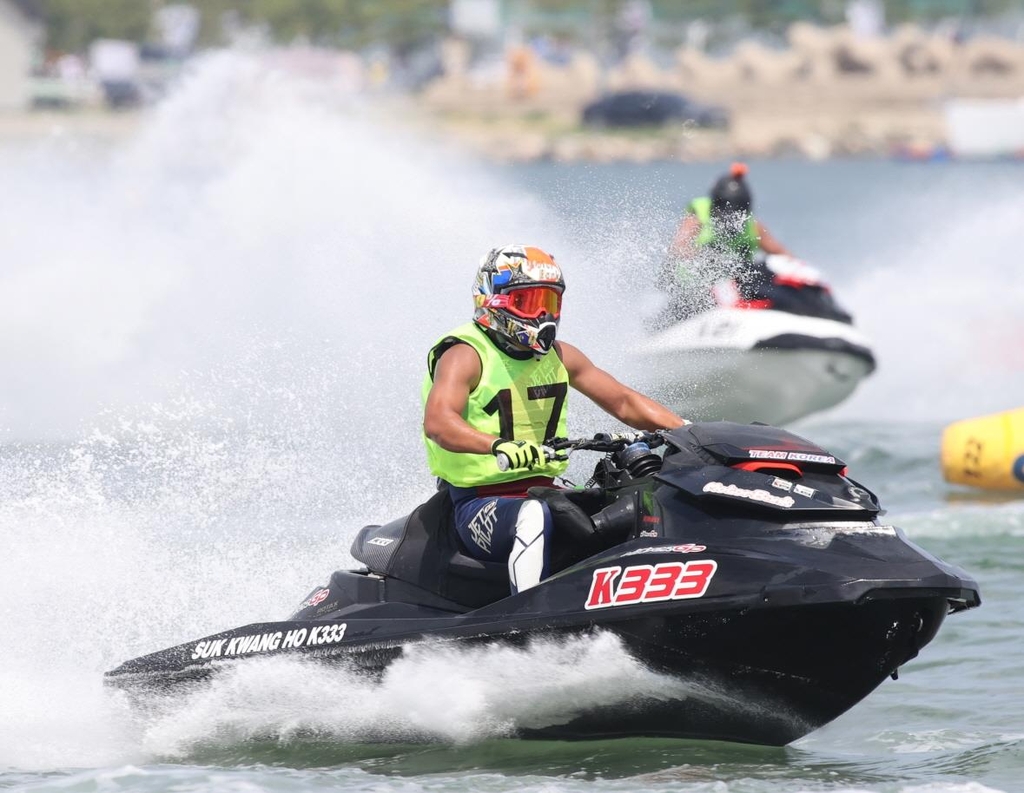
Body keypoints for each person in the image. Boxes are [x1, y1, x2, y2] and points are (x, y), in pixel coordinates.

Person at [422, 244, 686, 595]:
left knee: (635, 503)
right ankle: (530, 622)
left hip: (546, 492)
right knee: (532, 516)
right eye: (529, 303)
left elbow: (624, 402)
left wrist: (690, 433)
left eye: (551, 303)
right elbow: (439, 422)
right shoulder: (464, 355)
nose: (543, 315)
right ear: (494, 300)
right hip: (476, 504)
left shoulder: (561, 356)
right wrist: (498, 446)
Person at [656, 162, 792, 321]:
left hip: (733, 292)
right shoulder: (698, 217)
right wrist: (707, 258)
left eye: (737, 213)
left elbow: (783, 256)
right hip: (693, 291)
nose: (731, 218)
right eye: (726, 212)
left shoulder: (753, 227)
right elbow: (678, 249)